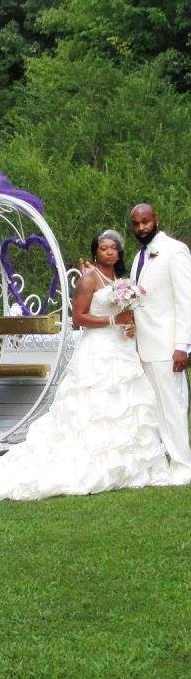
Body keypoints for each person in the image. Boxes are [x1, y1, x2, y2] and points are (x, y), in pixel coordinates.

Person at [0, 229, 171, 504]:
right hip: (97, 351)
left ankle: (127, 463)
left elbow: (122, 312)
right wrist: (112, 322)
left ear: (119, 253)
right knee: (94, 406)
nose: (109, 252)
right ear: (95, 251)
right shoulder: (89, 279)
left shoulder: (119, 280)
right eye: (104, 248)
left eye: (113, 248)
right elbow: (78, 317)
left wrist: (127, 323)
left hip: (120, 350)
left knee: (126, 402)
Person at [127, 203, 191, 483]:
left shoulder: (174, 250)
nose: (141, 227)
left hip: (168, 346)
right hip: (143, 346)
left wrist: (183, 345)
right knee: (154, 408)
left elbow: (185, 302)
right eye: (136, 224)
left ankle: (184, 465)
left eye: (145, 221)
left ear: (155, 219)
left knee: (174, 407)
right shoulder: (137, 257)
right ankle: (163, 462)